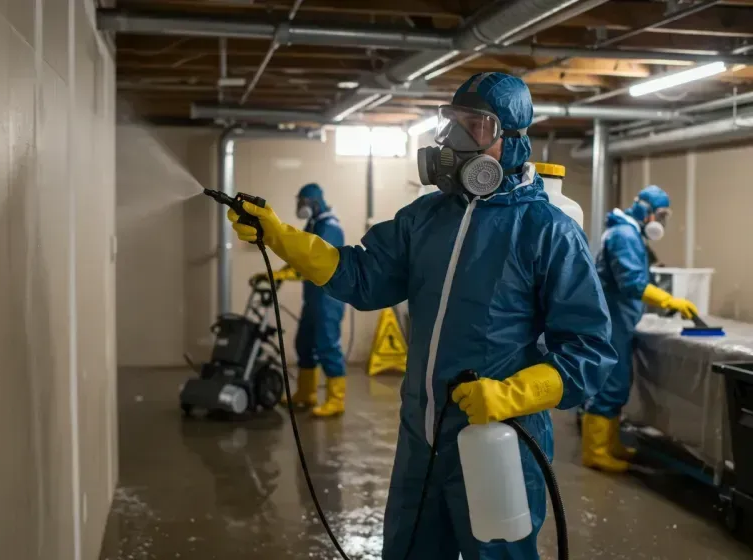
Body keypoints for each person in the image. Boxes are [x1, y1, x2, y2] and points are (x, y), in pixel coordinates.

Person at [228, 72, 617, 559]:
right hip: (422, 436)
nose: (454, 139)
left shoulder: (547, 231)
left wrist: (512, 394)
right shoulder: (426, 217)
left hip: (497, 439)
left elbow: (590, 350)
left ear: (513, 139)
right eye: (452, 122)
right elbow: (361, 276)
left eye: (476, 125)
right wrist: (278, 236)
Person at [582, 185, 698, 473]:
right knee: (610, 385)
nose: (660, 222)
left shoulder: (627, 233)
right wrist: (669, 299)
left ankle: (610, 444)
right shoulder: (624, 235)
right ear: (645, 210)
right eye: (660, 215)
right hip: (613, 322)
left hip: (618, 321)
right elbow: (631, 283)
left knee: (618, 384)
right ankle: (595, 452)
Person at [255, 183, 348, 417]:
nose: (299, 207)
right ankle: (306, 394)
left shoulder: (330, 227)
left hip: (329, 298)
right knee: (304, 343)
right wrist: (278, 272)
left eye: (303, 203)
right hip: (313, 297)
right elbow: (300, 254)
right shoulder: (314, 224)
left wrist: (284, 275)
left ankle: (336, 400)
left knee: (327, 345)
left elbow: (316, 261)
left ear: (314, 203)